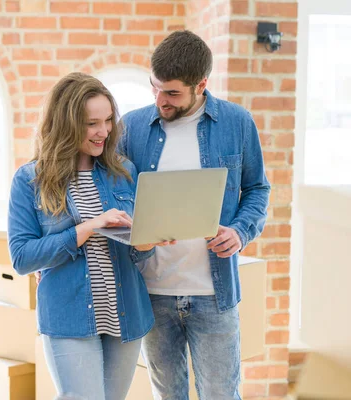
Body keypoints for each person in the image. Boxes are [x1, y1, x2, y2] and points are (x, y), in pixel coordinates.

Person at [119, 30, 271, 399]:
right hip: (151, 293)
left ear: (201, 85)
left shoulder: (237, 123)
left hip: (213, 294)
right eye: (154, 88)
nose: (160, 100)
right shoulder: (132, 127)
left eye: (171, 93)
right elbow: (118, 197)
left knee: (221, 394)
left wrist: (239, 232)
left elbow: (257, 190)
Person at [7, 72, 170, 400]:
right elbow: (22, 257)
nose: (104, 132)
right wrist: (87, 227)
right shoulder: (30, 180)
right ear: (66, 124)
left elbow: (138, 254)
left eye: (108, 120)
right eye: (91, 123)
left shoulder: (124, 172)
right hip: (68, 315)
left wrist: (145, 243)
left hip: (125, 311)